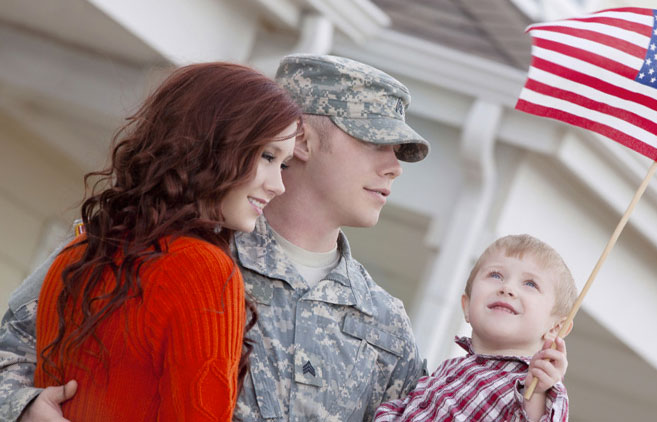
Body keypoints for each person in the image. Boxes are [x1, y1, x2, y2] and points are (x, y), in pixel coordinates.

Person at [0, 54, 431, 422]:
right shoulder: (156, 248)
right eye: (376, 142)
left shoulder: (386, 327)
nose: (394, 167)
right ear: (301, 138)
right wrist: (24, 405)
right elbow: (11, 353)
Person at [22, 62, 301, 420]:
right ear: (213, 145)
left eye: (284, 164)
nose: (278, 185)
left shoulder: (79, 254)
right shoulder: (204, 270)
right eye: (267, 156)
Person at [374, 234, 577, 422]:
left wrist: (538, 394)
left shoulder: (536, 386)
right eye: (496, 275)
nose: (507, 289)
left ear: (557, 327)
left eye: (530, 284)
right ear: (467, 306)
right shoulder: (448, 370)